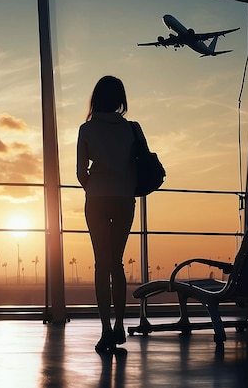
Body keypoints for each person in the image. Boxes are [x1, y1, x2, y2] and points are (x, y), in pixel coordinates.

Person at [76, 75, 147, 353]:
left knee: (101, 264)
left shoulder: (87, 129)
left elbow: (81, 173)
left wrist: (94, 183)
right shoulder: (131, 129)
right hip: (124, 199)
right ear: (120, 100)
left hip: (97, 200)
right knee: (116, 264)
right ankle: (120, 325)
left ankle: (105, 328)